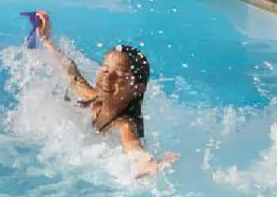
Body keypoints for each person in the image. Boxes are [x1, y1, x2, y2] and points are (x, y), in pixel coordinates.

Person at [30, 16, 176, 178]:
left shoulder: (124, 124)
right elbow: (73, 75)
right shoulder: (95, 99)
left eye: (119, 74)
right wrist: (46, 40)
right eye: (105, 68)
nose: (107, 76)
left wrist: (147, 164)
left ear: (138, 88)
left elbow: (133, 146)